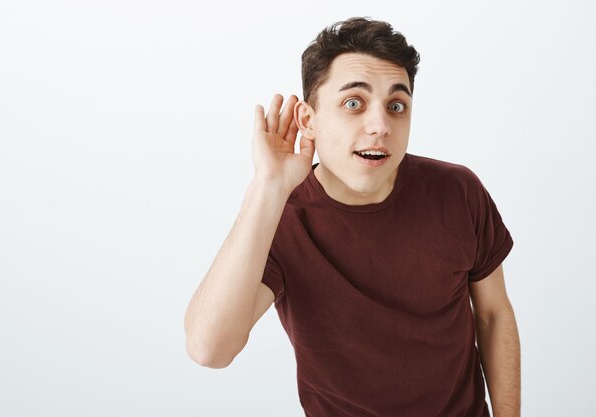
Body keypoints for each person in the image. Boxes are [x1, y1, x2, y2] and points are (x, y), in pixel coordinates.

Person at [184, 16, 521, 417]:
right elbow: (209, 349)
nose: (380, 126)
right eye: (353, 103)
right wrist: (268, 187)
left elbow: (493, 313)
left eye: (397, 106)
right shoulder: (278, 219)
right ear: (309, 120)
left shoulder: (458, 191)